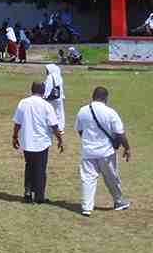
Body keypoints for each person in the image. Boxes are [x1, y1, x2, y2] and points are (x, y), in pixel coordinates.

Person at [74, 87, 131, 216]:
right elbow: (120, 134)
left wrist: (89, 140)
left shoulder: (83, 111)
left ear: (93, 96)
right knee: (111, 178)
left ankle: (87, 207)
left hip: (88, 151)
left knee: (88, 179)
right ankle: (119, 201)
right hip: (106, 152)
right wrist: (127, 148)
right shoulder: (110, 112)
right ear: (106, 98)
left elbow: (80, 130)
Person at [12, 82, 64, 204]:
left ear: (32, 90)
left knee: (29, 166)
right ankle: (39, 196)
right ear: (43, 91)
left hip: (27, 141)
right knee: (40, 170)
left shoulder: (23, 103)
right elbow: (54, 125)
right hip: (41, 143)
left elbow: (17, 123)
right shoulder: (46, 105)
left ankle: (28, 192)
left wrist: (14, 136)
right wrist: (60, 139)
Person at [44, 64, 66, 133]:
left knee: (51, 112)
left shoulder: (50, 77)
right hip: (59, 97)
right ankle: (60, 128)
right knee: (59, 113)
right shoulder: (59, 76)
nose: (46, 71)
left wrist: (45, 96)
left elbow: (48, 87)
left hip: (52, 98)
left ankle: (51, 127)